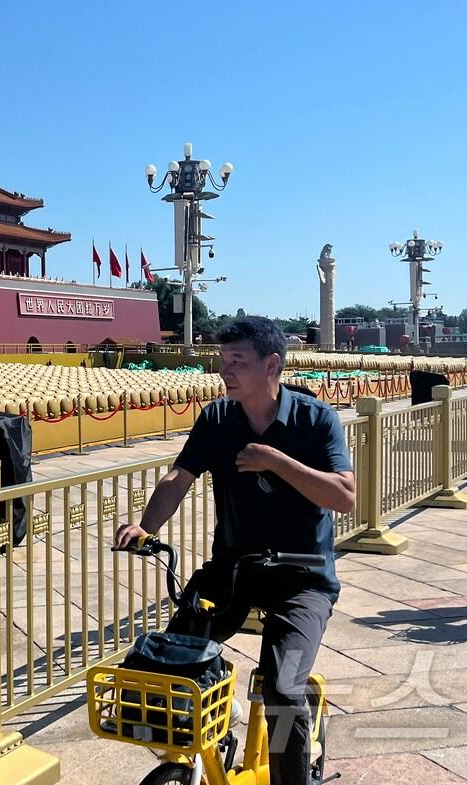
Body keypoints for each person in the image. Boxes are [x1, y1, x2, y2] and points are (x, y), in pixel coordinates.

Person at [115, 317, 354, 785]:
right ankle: (209, 743)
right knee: (166, 665)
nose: (226, 371)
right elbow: (178, 477)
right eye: (223, 362)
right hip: (234, 571)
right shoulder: (217, 418)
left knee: (283, 690)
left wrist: (275, 461)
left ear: (272, 364)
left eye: (237, 362)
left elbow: (343, 497)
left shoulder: (316, 419)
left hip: (302, 578)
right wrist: (143, 526)